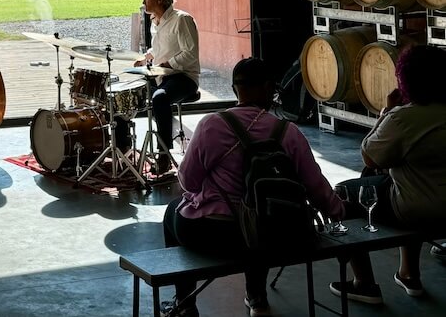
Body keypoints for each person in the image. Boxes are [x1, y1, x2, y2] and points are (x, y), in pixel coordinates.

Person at [161, 58, 344, 317]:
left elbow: (188, 181)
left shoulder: (212, 125)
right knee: (260, 216)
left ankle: (184, 303)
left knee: (172, 212)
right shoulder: (287, 132)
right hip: (275, 236)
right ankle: (257, 297)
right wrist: (336, 209)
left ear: (236, 89)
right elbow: (315, 185)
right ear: (269, 88)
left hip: (213, 234)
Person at [328, 45, 446, 304]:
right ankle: (408, 274)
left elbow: (370, 157)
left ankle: (364, 284)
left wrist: (386, 113)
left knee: (346, 192)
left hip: (416, 208)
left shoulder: (403, 118)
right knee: (400, 180)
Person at [132, 0, 200, 175]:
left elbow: (190, 53)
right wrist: (147, 57)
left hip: (183, 77)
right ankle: (123, 147)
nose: (143, 1)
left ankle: (163, 154)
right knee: (126, 93)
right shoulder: (157, 22)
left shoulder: (182, 19)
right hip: (162, 75)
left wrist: (166, 64)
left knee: (160, 97)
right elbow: (164, 47)